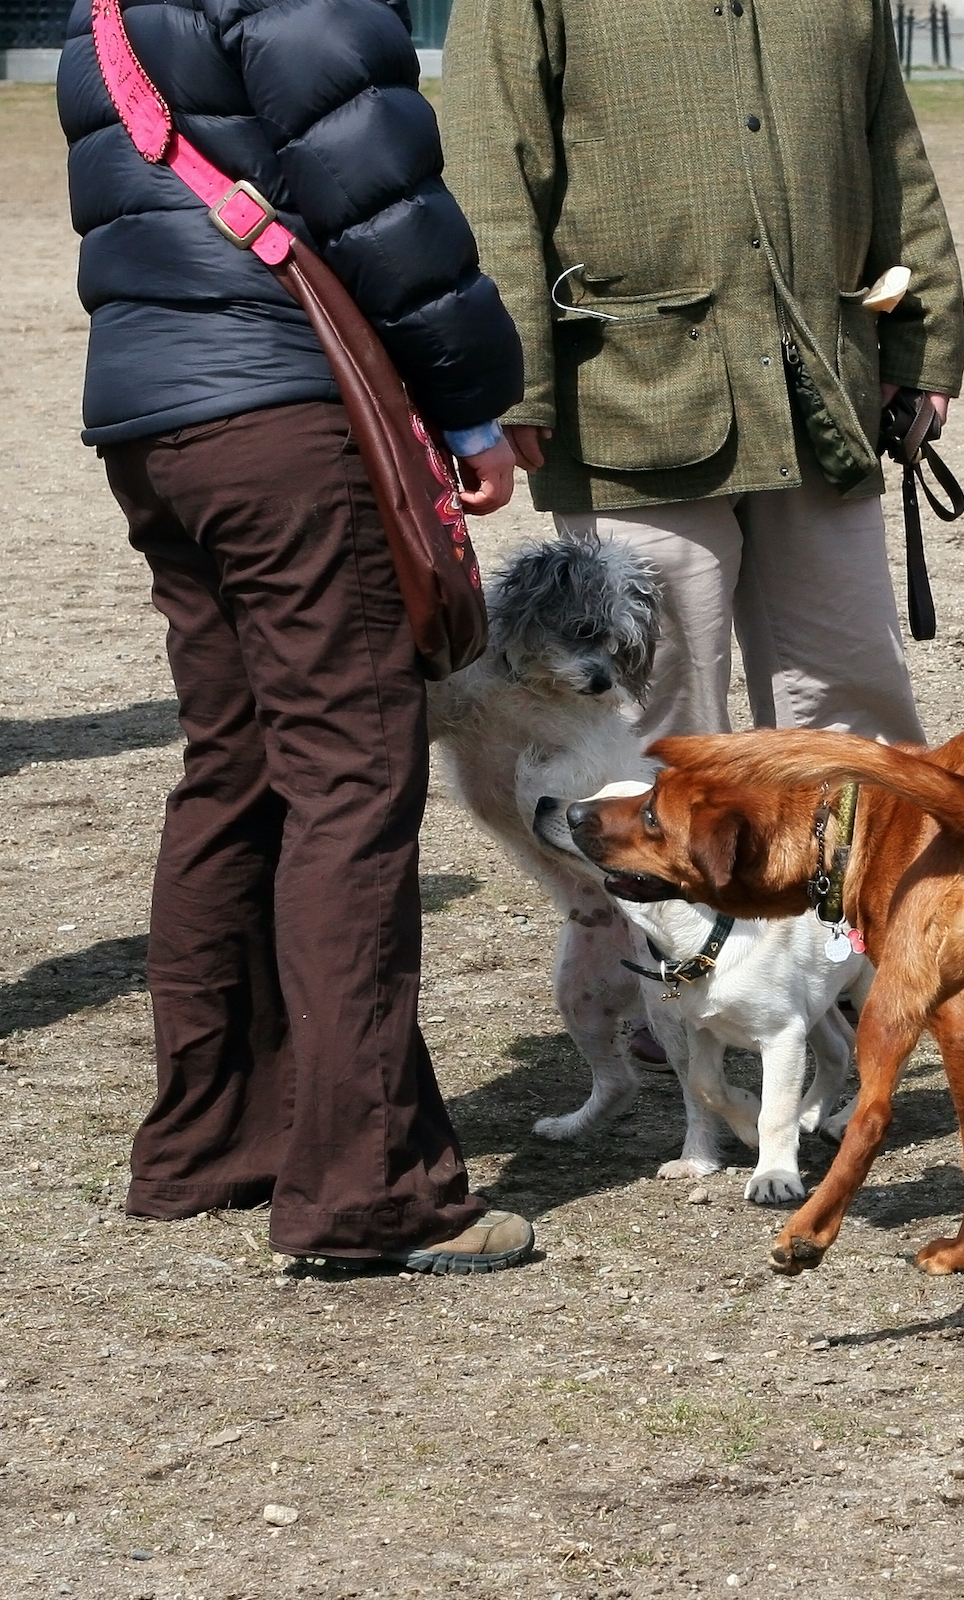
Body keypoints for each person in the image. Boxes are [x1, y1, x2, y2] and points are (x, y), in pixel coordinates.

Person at [61, 0, 534, 1270]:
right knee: (351, 781)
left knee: (238, 769)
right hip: (280, 409)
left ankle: (211, 1141)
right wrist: (475, 403)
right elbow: (375, 186)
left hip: (154, 410)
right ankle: (368, 1187)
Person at [444, 0, 964, 748]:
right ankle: (655, 872)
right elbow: (489, 169)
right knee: (655, 702)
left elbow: (893, 150)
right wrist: (511, 380)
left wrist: (927, 337)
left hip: (821, 390)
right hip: (632, 398)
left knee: (852, 697)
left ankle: (849, 865)